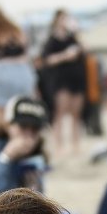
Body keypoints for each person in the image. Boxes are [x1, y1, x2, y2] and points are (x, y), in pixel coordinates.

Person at [38, 10, 86, 156]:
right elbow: (46, 60)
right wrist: (65, 56)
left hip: (76, 80)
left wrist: (77, 34)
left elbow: (85, 50)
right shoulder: (52, 40)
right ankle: (59, 145)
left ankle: (75, 144)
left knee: (76, 114)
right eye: (63, 18)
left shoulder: (73, 38)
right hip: (60, 80)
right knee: (60, 113)